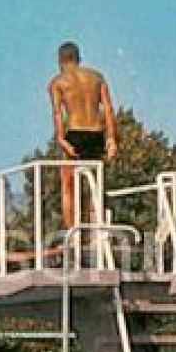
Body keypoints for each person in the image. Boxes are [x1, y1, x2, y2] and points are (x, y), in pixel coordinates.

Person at [49, 40, 119, 230]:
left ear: (60, 60)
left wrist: (61, 138)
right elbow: (109, 109)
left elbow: (57, 113)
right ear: (78, 58)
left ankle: (72, 234)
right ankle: (97, 232)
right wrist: (111, 139)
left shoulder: (58, 82)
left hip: (75, 133)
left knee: (68, 186)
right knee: (94, 185)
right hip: (97, 134)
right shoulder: (97, 77)